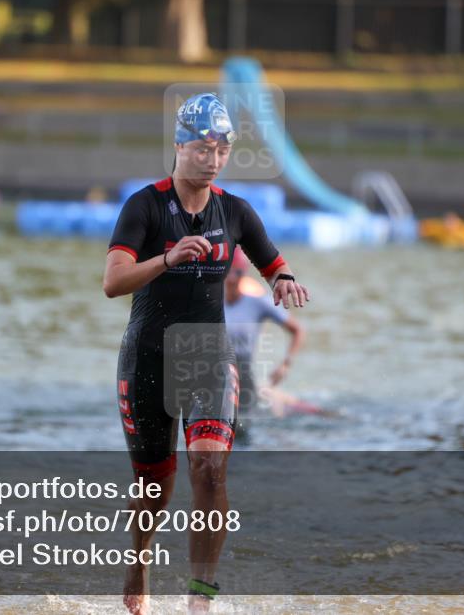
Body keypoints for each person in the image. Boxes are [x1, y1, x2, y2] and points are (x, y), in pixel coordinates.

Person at [102, 92, 310, 614]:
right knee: (156, 491)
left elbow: (273, 263)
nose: (212, 159)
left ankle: (200, 598)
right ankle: (139, 563)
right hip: (146, 357)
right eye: (203, 148)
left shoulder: (235, 212)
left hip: (206, 357)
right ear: (179, 145)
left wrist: (284, 281)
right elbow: (112, 282)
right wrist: (167, 258)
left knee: (210, 469)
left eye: (222, 150)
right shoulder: (145, 205)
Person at [224, 247, 306, 444]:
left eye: (238, 273)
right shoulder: (207, 300)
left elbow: (297, 330)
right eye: (229, 272)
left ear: (244, 274)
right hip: (214, 374)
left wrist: (286, 364)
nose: (233, 279)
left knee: (243, 431)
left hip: (243, 378)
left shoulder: (257, 303)